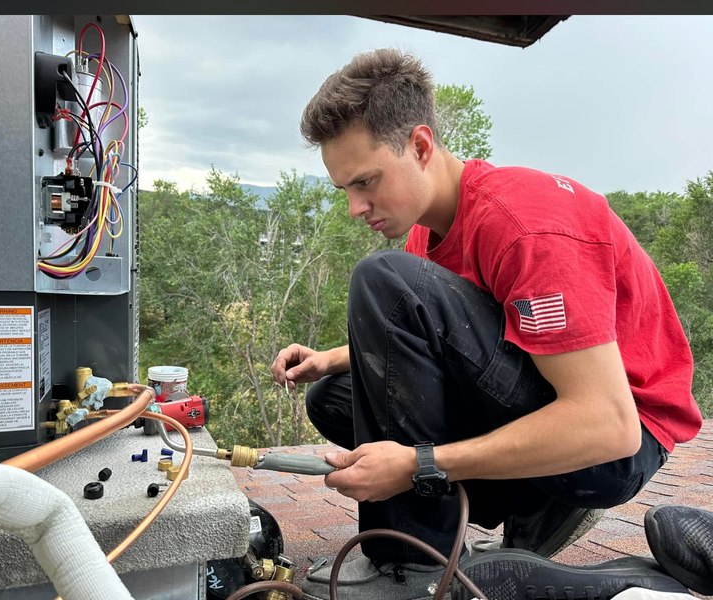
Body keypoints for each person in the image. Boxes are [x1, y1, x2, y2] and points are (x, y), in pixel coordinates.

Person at [270, 48, 704, 600]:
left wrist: (420, 465)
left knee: (383, 278)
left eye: (366, 182)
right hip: (559, 405)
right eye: (346, 189)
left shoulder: (526, 226)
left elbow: (608, 424)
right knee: (332, 396)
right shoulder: (429, 230)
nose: (356, 206)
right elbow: (446, 339)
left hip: (617, 445)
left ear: (421, 146)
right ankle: (525, 510)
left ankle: (412, 563)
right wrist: (329, 358)